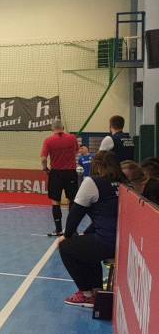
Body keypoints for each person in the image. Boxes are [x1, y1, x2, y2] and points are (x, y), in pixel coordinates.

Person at [57, 151, 122, 308]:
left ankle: (86, 294)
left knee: (65, 247)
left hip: (109, 243)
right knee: (87, 242)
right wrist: (85, 234)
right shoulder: (124, 183)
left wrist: (66, 235)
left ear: (96, 165)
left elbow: (75, 215)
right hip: (124, 240)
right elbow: (109, 216)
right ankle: (97, 290)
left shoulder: (93, 183)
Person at [41, 120, 79, 237]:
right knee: (72, 200)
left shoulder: (48, 140)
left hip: (56, 173)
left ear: (52, 129)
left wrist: (45, 168)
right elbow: (76, 151)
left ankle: (58, 230)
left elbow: (43, 158)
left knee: (55, 201)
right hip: (70, 172)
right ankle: (72, 230)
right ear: (63, 127)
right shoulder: (72, 138)